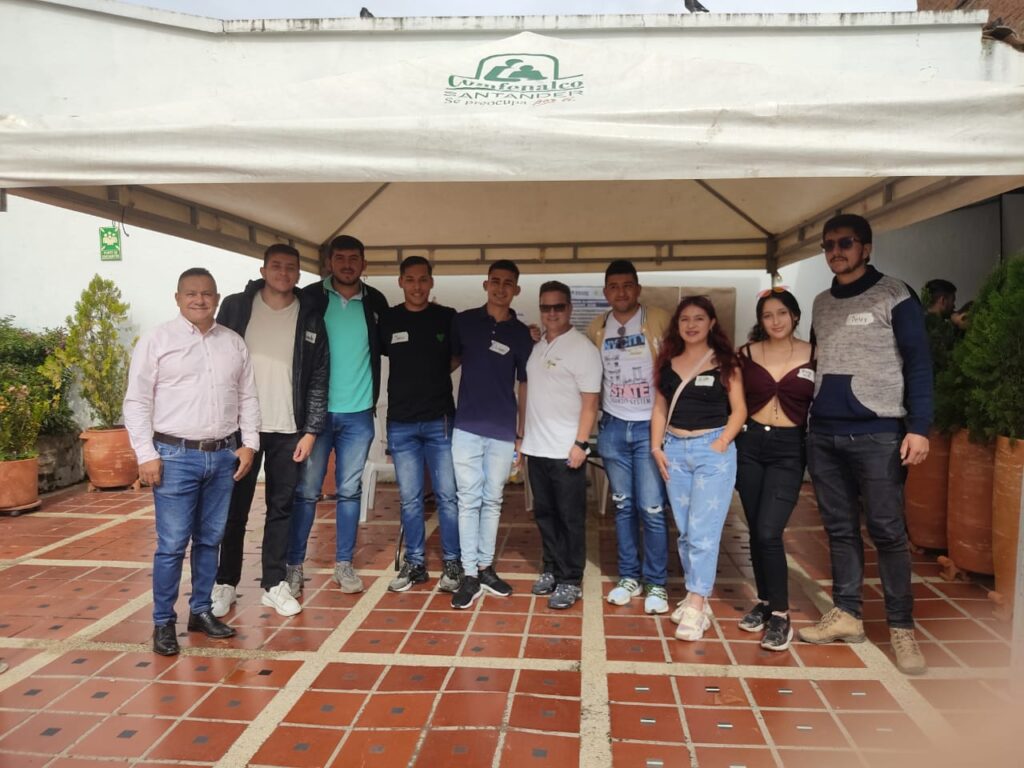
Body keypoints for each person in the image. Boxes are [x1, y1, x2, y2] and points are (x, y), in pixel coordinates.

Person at [799, 213, 932, 676]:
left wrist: (920, 428)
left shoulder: (895, 294)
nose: (836, 250)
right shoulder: (819, 302)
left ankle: (901, 629)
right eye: (829, 244)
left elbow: (918, 364)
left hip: (879, 432)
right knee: (838, 530)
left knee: (888, 532)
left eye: (846, 243)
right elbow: (818, 361)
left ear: (867, 247)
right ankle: (848, 614)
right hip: (825, 434)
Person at [124, 268, 260, 656]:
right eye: (191, 294)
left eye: (207, 294)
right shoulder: (157, 340)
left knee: (210, 540)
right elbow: (137, 402)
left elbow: (248, 397)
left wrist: (248, 443)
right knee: (171, 545)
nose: (199, 300)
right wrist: (145, 454)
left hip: (221, 456)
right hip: (173, 456)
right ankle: (162, 622)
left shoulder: (232, 343)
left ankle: (200, 610)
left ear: (217, 298)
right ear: (178, 297)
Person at [209, 244, 329, 618]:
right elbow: (215, 362)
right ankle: (225, 583)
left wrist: (310, 430)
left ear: (298, 274)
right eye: (276, 266)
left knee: (282, 507)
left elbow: (319, 376)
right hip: (242, 430)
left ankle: (273, 583)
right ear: (263, 270)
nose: (283, 273)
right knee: (234, 510)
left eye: (291, 268)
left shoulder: (309, 314)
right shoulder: (236, 307)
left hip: (288, 429)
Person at [288, 235, 388, 594]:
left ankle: (344, 565)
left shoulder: (375, 301)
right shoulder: (311, 298)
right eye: (340, 258)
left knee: (349, 491)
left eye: (354, 259)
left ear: (364, 264)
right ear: (329, 262)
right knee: (308, 491)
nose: (347, 264)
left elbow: (394, 342)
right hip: (316, 417)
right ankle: (294, 566)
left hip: (358, 414)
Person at [650, 296, 746, 641]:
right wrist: (656, 447)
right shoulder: (666, 362)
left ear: (712, 323)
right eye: (685, 319)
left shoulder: (725, 362)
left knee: (704, 532)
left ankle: (695, 601)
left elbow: (738, 410)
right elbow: (660, 408)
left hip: (712, 452)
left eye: (699, 318)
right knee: (688, 532)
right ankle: (697, 596)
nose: (691, 325)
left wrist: (720, 444)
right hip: (674, 450)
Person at [587, 260, 671, 614]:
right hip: (613, 427)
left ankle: (657, 583)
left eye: (627, 285)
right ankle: (629, 577)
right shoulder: (597, 327)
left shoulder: (660, 319)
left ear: (638, 289)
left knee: (651, 508)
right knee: (622, 507)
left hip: (650, 427)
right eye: (613, 286)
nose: (620, 292)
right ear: (606, 292)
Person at [449, 260, 533, 610]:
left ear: (516, 289)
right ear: (485, 285)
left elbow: (525, 383)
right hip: (466, 426)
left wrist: (520, 434)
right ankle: (469, 573)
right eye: (495, 282)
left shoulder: (521, 334)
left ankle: (486, 567)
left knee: (493, 500)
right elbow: (447, 363)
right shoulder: (464, 322)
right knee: (468, 499)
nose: (501, 288)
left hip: (502, 430)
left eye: (508, 283)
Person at [734, 288, 814, 651]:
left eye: (782, 313)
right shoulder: (746, 354)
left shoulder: (814, 354)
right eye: (768, 315)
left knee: (769, 530)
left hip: (789, 449)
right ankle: (765, 602)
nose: (776, 321)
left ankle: (781, 615)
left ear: (795, 316)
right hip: (750, 446)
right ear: (760, 320)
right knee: (755, 527)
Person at [379, 256, 462, 593]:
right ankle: (415, 564)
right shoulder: (388, 319)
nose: (417, 286)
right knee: (410, 499)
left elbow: (459, 355)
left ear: (431, 282)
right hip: (401, 423)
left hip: (439, 420)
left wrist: (435, 375)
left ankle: (453, 563)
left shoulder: (447, 317)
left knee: (448, 497)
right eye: (410, 280)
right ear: (401, 282)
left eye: (423, 280)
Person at [521, 281, 602, 610]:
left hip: (567, 450)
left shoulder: (582, 349)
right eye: (546, 307)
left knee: (570, 517)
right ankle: (551, 568)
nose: (551, 313)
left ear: (569, 308)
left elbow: (591, 402)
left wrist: (581, 443)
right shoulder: (538, 345)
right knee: (544, 514)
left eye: (558, 307)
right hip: (537, 448)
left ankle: (571, 578)